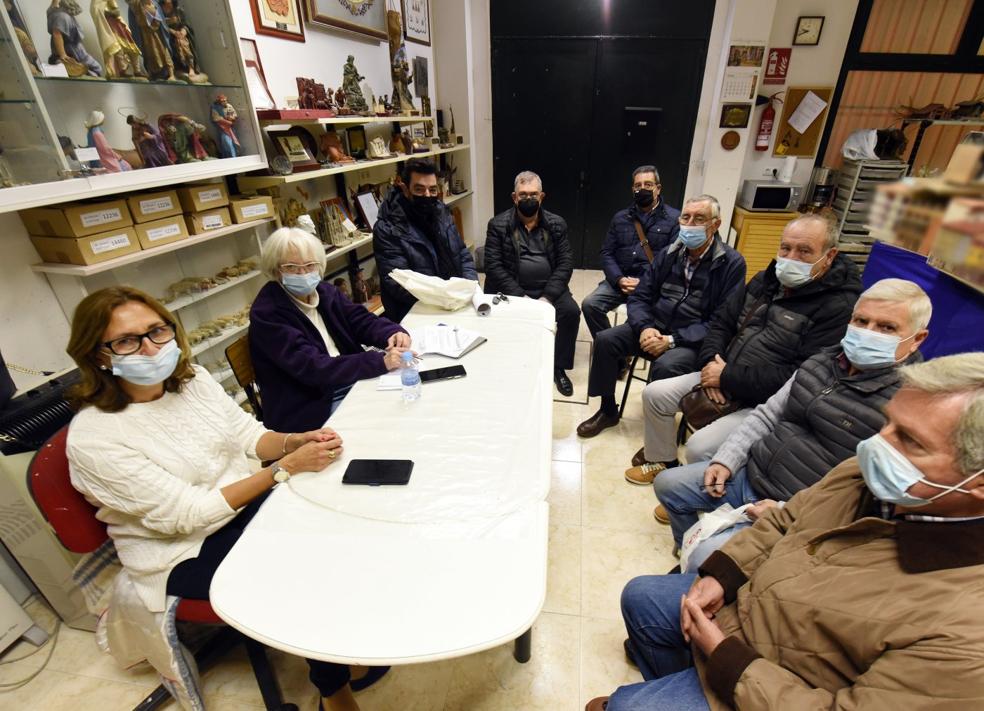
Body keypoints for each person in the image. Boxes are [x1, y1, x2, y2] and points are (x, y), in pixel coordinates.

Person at [586, 353, 984, 711]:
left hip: (780, 675)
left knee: (628, 705)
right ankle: (675, 681)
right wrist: (722, 576)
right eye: (888, 423)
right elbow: (786, 518)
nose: (878, 444)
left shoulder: (967, 634)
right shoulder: (860, 475)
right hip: (754, 609)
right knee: (641, 597)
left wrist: (726, 659)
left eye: (910, 440)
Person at [65, 286, 385, 711]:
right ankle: (334, 691)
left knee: (339, 515)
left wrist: (294, 441)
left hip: (240, 506)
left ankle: (340, 646)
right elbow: (187, 515)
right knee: (300, 569)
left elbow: (250, 436)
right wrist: (283, 469)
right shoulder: (96, 437)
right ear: (98, 355)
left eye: (157, 331)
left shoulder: (192, 381)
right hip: (178, 549)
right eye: (126, 341)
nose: (149, 348)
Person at [650, 279, 931, 569]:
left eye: (886, 328)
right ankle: (686, 552)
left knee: (706, 558)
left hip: (795, 509)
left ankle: (702, 571)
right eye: (861, 321)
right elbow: (767, 414)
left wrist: (787, 512)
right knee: (668, 485)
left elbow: (865, 498)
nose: (867, 333)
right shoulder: (821, 361)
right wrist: (727, 459)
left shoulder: (908, 407)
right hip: (753, 474)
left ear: (917, 339)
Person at [633, 212, 862, 478]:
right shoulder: (766, 280)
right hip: (724, 374)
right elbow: (721, 323)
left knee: (699, 447)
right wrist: (711, 366)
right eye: (786, 248)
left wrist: (728, 378)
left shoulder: (839, 307)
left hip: (767, 401)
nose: (790, 258)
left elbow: (803, 375)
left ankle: (693, 492)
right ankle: (665, 465)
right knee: (655, 395)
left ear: (829, 256)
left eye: (804, 251)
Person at [576, 195, 746, 437]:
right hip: (655, 326)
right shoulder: (670, 253)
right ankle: (607, 410)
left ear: (716, 224)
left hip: (691, 339)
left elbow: (722, 322)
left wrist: (671, 340)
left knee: (666, 366)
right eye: (686, 217)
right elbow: (640, 296)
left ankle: (656, 434)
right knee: (605, 340)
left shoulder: (731, 263)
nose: (690, 223)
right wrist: (645, 327)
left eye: (699, 219)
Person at [249, 227, 410, 433]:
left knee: (407, 400)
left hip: (343, 382)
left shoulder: (325, 292)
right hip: (308, 405)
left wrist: (391, 332)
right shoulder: (268, 313)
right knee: (389, 421)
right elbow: (313, 368)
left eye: (310, 265)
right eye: (291, 267)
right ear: (275, 270)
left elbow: (359, 319)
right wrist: (379, 361)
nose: (303, 273)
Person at [484, 170, 580, 396]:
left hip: (548, 288)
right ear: (514, 197)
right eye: (523, 194)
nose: (529, 199)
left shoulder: (557, 224)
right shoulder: (497, 225)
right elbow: (493, 267)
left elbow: (566, 263)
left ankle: (558, 367)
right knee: (500, 318)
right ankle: (512, 364)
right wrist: (523, 298)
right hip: (513, 289)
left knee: (571, 312)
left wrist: (547, 298)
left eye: (533, 194)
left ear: (542, 197)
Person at [582, 166, 680, 338]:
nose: (642, 189)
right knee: (590, 305)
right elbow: (606, 252)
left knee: (638, 318)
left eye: (648, 185)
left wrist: (643, 283)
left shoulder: (674, 220)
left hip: (650, 285)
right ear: (632, 189)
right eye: (638, 185)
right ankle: (615, 354)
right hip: (620, 280)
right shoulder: (620, 218)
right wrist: (619, 279)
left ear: (658, 188)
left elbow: (671, 262)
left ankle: (619, 347)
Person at [373, 158, 477, 322]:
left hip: (453, 303)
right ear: (405, 189)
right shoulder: (387, 228)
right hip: (416, 312)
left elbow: (462, 253)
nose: (427, 195)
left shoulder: (441, 212)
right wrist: (444, 301)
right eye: (419, 189)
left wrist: (469, 287)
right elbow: (398, 282)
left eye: (433, 189)